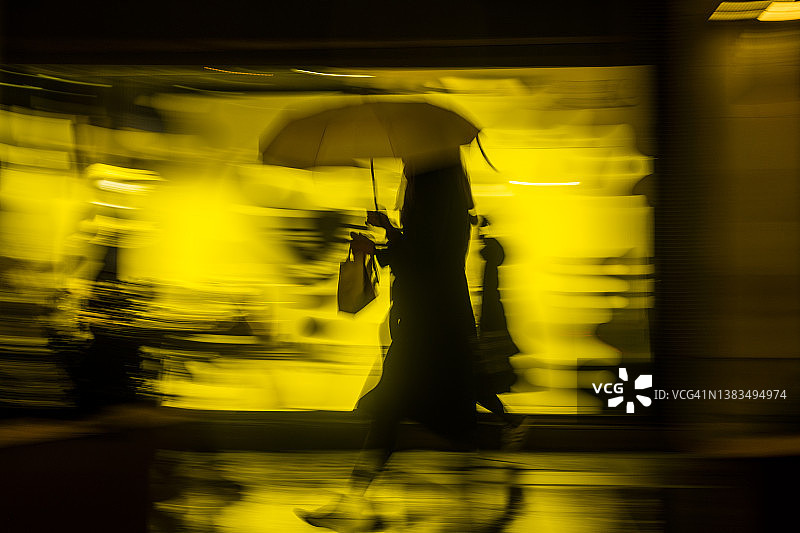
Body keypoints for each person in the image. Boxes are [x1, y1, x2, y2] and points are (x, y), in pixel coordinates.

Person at [296, 151, 478, 531]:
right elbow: (429, 249)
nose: (403, 158)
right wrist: (389, 229)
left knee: (393, 407)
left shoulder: (433, 188)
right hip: (432, 316)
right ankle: (498, 440)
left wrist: (375, 249)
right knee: (415, 406)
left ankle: (353, 501)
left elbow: (424, 258)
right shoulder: (443, 188)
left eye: (409, 152)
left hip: (428, 320)